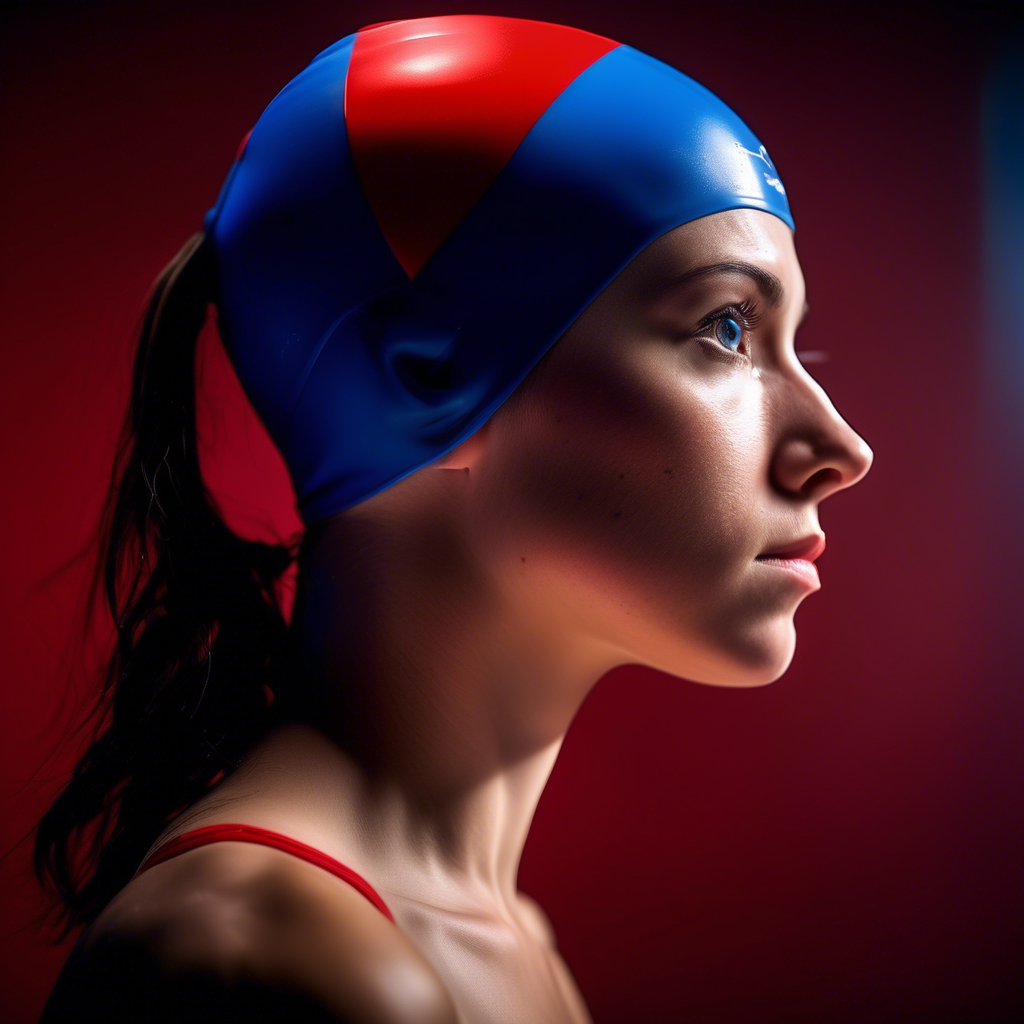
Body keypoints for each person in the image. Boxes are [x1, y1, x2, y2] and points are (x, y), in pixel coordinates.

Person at [32, 14, 873, 1023]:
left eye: (792, 344)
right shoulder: (272, 965)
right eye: (725, 328)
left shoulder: (505, 945)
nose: (839, 449)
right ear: (435, 384)